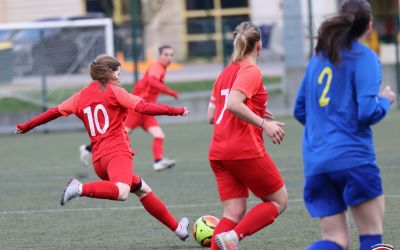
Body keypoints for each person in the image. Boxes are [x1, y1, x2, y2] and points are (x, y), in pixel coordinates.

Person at [15, 54, 190, 242]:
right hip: (117, 153)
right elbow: (143, 107)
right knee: (122, 192)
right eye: (118, 73)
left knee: (143, 190)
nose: (119, 78)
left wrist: (28, 126)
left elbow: (53, 112)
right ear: (108, 73)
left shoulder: (80, 96)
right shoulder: (115, 91)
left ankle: (178, 229)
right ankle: (78, 188)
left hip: (99, 161)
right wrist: (176, 111)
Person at [293, 1, 396, 250]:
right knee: (371, 236)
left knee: (335, 240)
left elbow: (299, 109)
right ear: (369, 26)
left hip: (317, 162)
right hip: (353, 160)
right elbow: (367, 112)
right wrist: (385, 100)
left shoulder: (318, 57)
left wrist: (325, 130)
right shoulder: (364, 57)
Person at [207, 21, 288, 250]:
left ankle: (227, 238)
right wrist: (265, 124)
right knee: (278, 201)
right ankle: (235, 237)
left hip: (218, 151)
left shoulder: (225, 72)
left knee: (233, 211)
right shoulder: (251, 70)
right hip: (243, 150)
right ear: (259, 45)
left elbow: (211, 115)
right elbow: (233, 103)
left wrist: (254, 109)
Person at [80, 45, 180, 171]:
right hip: (138, 109)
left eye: (171, 55)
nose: (169, 58)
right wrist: (171, 93)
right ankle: (88, 149)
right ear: (159, 56)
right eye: (166, 55)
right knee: (117, 135)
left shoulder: (162, 68)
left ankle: (158, 161)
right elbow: (153, 81)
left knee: (159, 135)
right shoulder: (157, 67)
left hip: (146, 111)